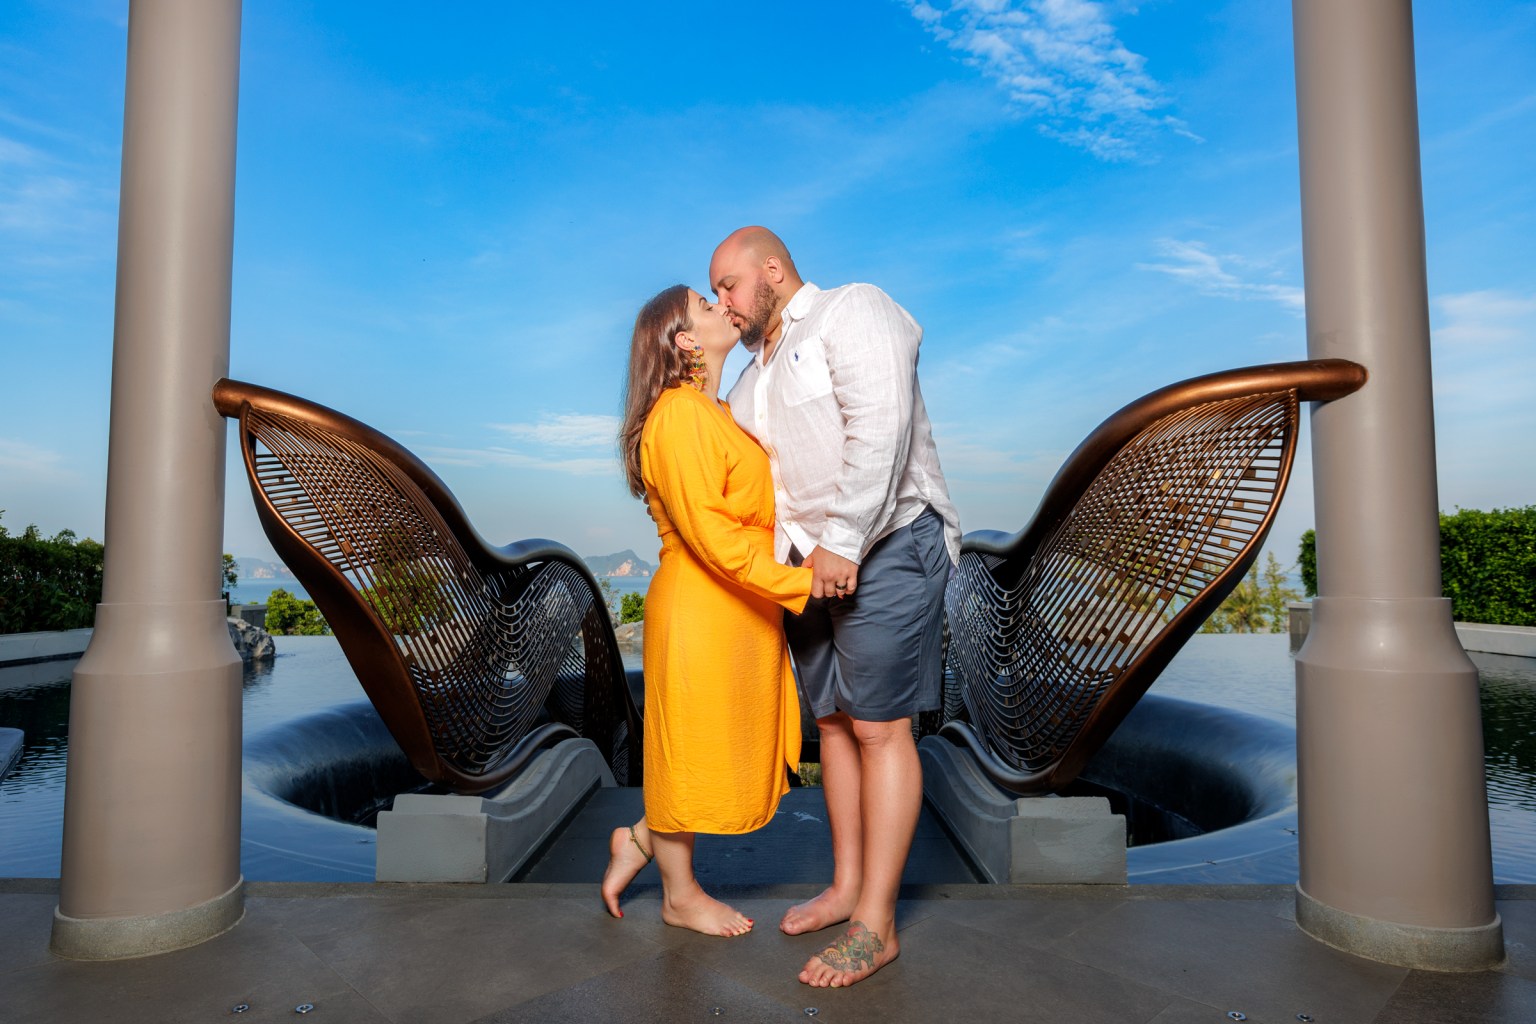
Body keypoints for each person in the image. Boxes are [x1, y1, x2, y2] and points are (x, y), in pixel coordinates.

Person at [709, 227, 961, 987]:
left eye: (728, 284)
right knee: (833, 724)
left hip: (885, 545)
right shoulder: (750, 381)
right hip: (806, 570)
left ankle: (877, 926)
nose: (722, 300)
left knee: (882, 727)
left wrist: (845, 540)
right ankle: (849, 888)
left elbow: (879, 428)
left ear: (774, 273)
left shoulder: (854, 310)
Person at [600, 284, 813, 937]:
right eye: (705, 302)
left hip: (740, 610)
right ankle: (680, 896)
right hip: (704, 607)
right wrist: (805, 585)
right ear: (685, 339)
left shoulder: (716, 409)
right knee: (687, 751)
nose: (723, 304)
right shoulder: (679, 414)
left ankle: (637, 840)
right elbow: (713, 538)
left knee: (711, 750)